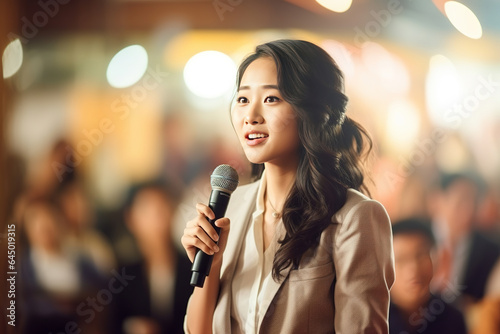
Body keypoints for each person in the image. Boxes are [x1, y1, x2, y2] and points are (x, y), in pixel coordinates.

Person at [181, 39, 395, 333]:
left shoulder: (355, 218)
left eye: (271, 99)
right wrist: (213, 265)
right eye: (243, 99)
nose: (251, 116)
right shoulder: (233, 205)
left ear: (313, 112)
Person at [113, 181, 193, 334]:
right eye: (147, 212)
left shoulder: (192, 269)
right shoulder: (123, 276)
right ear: (131, 219)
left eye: (162, 209)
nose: (157, 220)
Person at [389, 217, 467, 334]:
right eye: (401, 259)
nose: (413, 269)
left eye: (421, 255)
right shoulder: (372, 318)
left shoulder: (452, 318)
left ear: (436, 259)